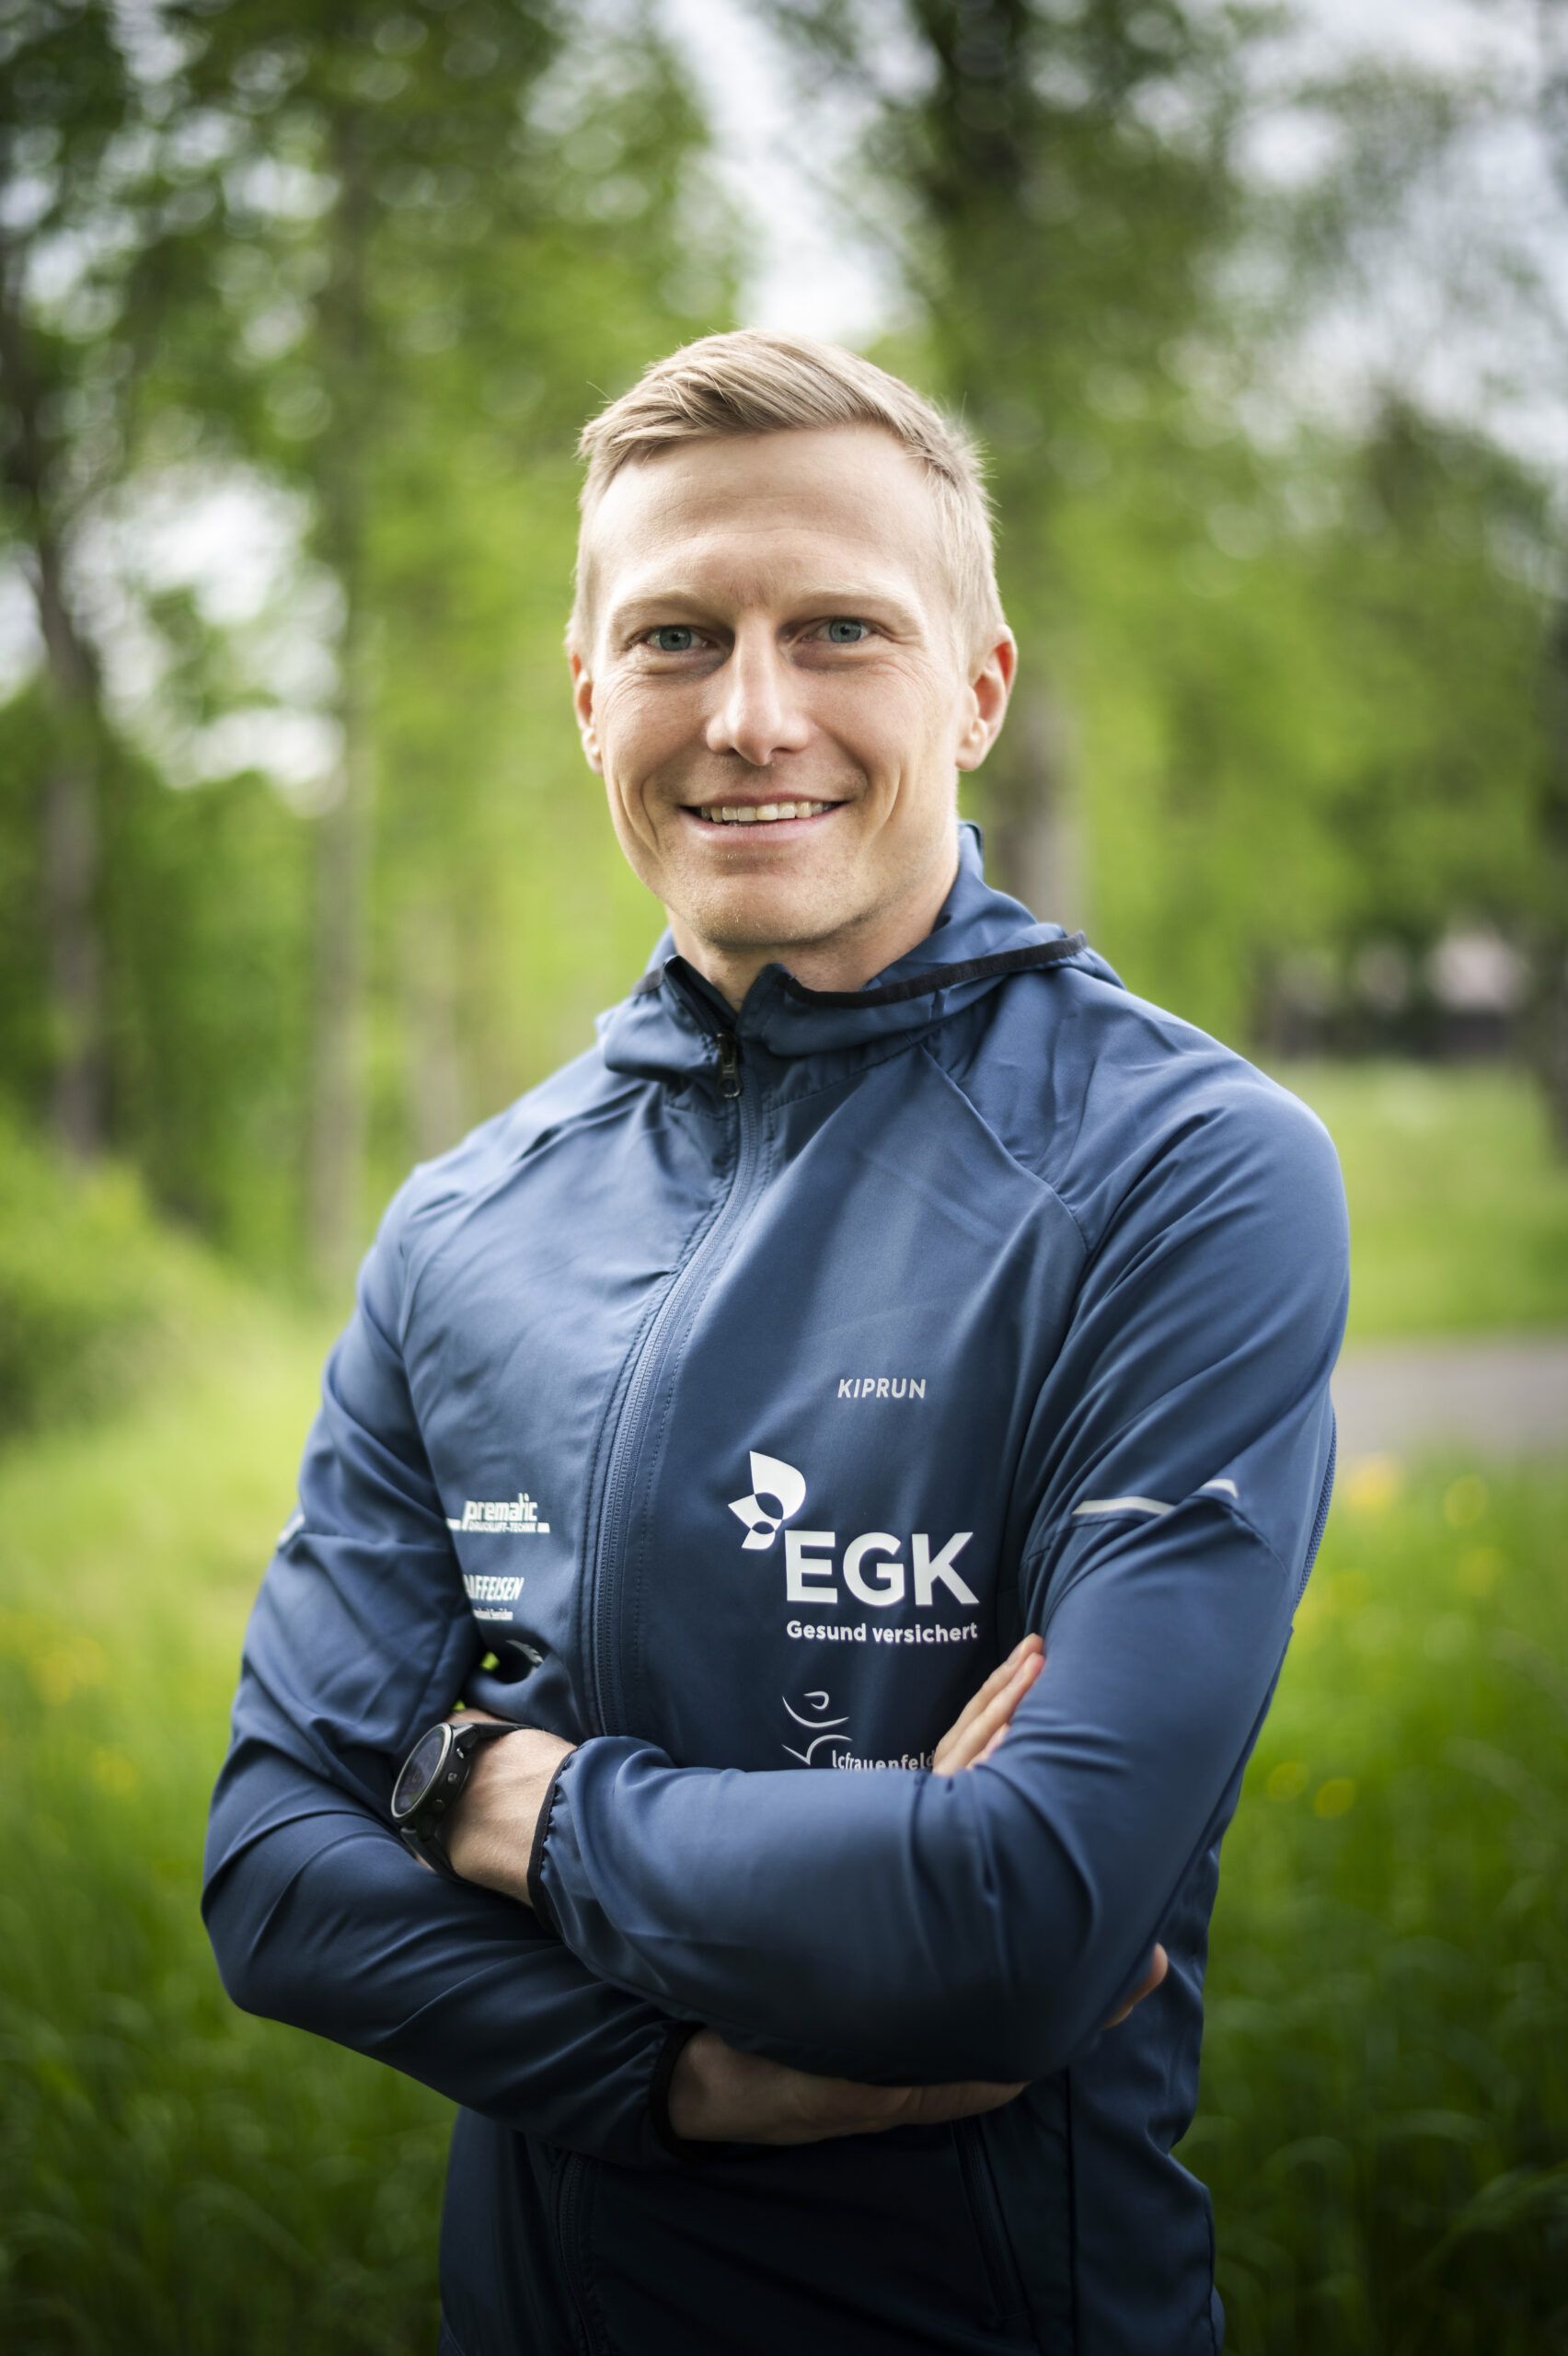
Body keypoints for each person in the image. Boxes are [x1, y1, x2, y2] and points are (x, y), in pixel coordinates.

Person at [203, 329, 1348, 2356]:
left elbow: (1018, 1918)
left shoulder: (1181, 1171)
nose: (750, 716)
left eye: (838, 628)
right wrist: (674, 2080)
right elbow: (275, 1876)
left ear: (975, 687)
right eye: (674, 637)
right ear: (587, 695)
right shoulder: (462, 1222)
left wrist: (488, 1795)